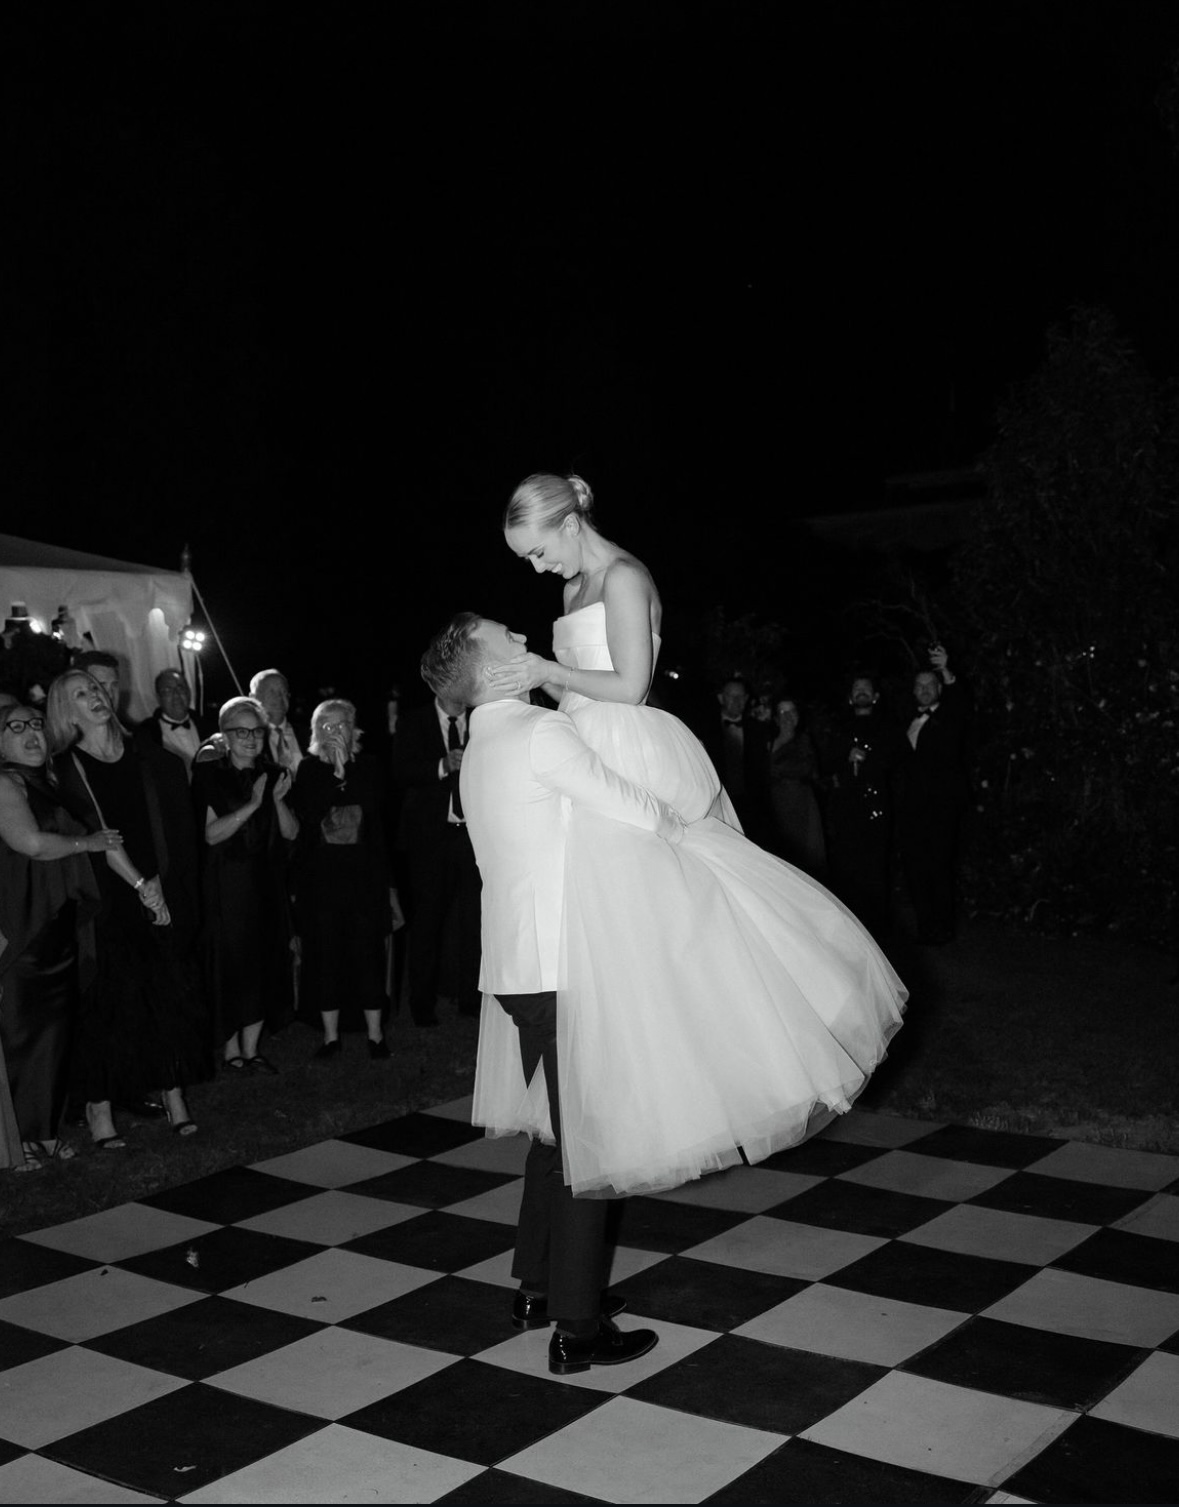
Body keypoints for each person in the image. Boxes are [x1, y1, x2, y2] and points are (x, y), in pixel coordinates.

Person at [482, 475, 905, 1196]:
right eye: (525, 558)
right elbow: (577, 688)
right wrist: (531, 690)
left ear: (569, 519)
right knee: (597, 922)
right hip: (583, 741)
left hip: (628, 746)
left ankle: (713, 1059)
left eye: (537, 550)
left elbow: (631, 684)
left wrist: (550, 668)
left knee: (677, 913)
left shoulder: (624, 576)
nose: (537, 567)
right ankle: (614, 1074)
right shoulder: (569, 590)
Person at [422, 613, 669, 1374]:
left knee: (557, 1132)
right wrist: (679, 813)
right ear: (489, 669)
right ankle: (577, 1326)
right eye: (505, 637)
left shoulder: (479, 748)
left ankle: (537, 1284)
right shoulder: (537, 733)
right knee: (589, 1142)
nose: (520, 636)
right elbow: (637, 813)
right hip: (560, 970)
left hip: (515, 972)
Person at [47, 670, 208, 1145]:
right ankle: (100, 1111)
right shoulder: (64, 768)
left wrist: (160, 882)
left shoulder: (147, 755)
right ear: (65, 709)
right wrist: (140, 884)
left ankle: (174, 1094)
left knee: (166, 993)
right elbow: (91, 835)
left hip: (158, 885)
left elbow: (176, 828)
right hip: (105, 898)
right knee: (107, 1004)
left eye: (97, 689)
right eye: (81, 693)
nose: (94, 697)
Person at [0, 704, 113, 1169]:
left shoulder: (49, 783)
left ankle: (43, 1133)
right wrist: (90, 843)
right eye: (15, 727)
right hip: (23, 927)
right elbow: (29, 843)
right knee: (23, 1034)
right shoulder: (6, 784)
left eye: (35, 725)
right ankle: (18, 1140)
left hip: (58, 924)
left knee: (54, 1036)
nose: (31, 734)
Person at [192, 696, 297, 1075]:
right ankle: (231, 1048)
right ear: (224, 735)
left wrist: (279, 802)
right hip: (226, 885)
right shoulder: (209, 775)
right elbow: (210, 835)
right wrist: (252, 805)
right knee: (231, 964)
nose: (250, 739)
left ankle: (251, 1050)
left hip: (266, 883)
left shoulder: (273, 772)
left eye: (255, 730)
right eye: (241, 731)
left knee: (263, 961)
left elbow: (291, 832)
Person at [293, 699, 402, 1058]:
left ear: (352, 729)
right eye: (325, 726)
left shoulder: (369, 766)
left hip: (364, 881)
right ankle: (330, 1036)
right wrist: (336, 776)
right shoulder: (308, 770)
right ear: (315, 732)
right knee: (326, 958)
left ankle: (375, 1035)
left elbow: (373, 807)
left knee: (368, 956)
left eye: (339, 725)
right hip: (322, 884)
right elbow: (308, 815)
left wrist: (345, 771)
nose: (333, 732)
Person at [391, 685, 482, 1026]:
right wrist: (442, 765)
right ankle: (422, 1004)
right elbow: (400, 771)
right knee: (427, 923)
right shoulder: (414, 722)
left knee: (474, 921)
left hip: (474, 836)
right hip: (430, 840)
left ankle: (471, 999)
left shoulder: (482, 719)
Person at [898, 644, 973, 943]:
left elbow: (963, 704)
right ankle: (925, 926)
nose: (925, 690)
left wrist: (946, 669)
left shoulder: (951, 715)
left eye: (930, 685)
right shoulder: (908, 721)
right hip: (912, 808)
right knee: (916, 869)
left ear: (939, 688)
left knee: (940, 868)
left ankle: (943, 929)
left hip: (942, 807)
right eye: (920, 686)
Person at [820, 673, 902, 938]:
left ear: (876, 696)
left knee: (875, 867)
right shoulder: (838, 727)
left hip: (876, 806)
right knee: (846, 868)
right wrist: (845, 756)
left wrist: (871, 759)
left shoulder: (888, 726)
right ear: (850, 696)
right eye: (857, 688)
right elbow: (825, 762)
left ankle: (877, 928)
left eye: (867, 688)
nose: (862, 691)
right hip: (845, 807)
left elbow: (895, 762)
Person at [767, 696, 827, 876]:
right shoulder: (766, 741)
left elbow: (805, 769)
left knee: (804, 857)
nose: (787, 716)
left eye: (792, 711)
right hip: (773, 806)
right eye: (782, 712)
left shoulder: (804, 742)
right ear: (776, 718)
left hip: (800, 803)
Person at [135, 667, 210, 780]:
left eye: (180, 688)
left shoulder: (207, 726)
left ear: (189, 692)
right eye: (168, 691)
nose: (176, 695)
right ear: (159, 698)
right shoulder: (146, 733)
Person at [249, 669, 304, 772]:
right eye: (271, 692)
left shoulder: (309, 734)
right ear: (253, 697)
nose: (279, 697)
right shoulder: (249, 739)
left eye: (283, 692)